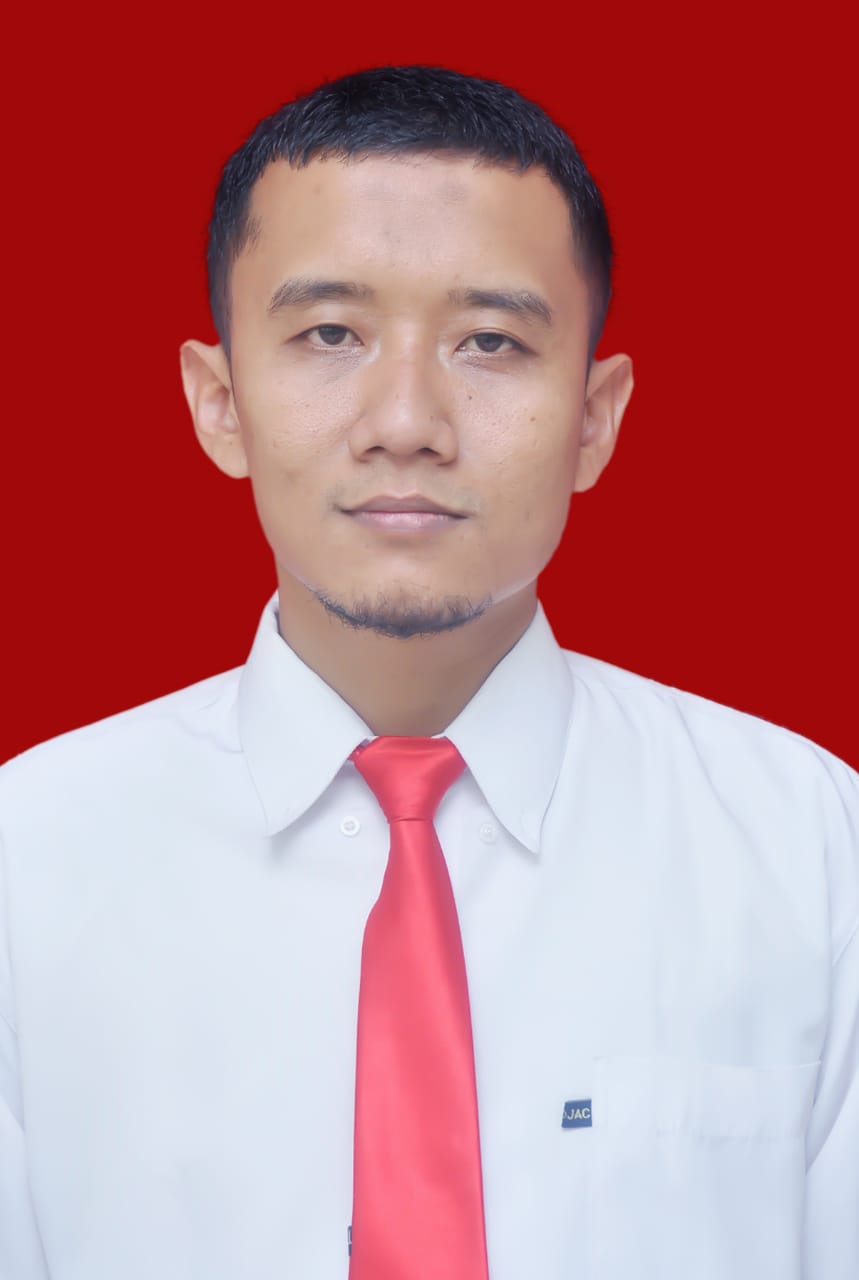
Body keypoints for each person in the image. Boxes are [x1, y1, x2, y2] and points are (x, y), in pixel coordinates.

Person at [1, 63, 856, 1280]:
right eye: (330, 334)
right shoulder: (28, 863)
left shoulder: (810, 848)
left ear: (595, 416)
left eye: (489, 341)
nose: (406, 420)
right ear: (219, 401)